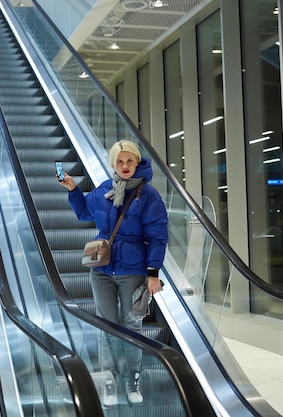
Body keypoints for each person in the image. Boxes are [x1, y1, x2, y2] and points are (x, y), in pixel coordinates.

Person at [58, 140, 168, 406]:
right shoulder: (105, 190)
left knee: (131, 325)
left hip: (133, 270)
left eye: (130, 161)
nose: (125, 166)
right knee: (105, 325)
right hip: (102, 269)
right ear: (113, 164)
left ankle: (132, 377)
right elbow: (85, 212)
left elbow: (158, 236)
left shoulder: (148, 195)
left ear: (137, 162)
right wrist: (73, 190)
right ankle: (109, 379)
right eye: (120, 161)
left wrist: (153, 272)